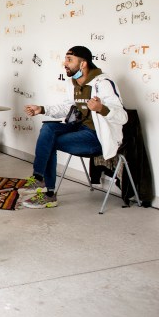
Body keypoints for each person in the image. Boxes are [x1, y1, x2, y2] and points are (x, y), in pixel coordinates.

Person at [22, 45, 127, 209]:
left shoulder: (103, 84)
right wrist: (41, 109)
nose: (65, 63)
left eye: (69, 60)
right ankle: (38, 177)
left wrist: (101, 108)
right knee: (47, 129)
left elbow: (123, 117)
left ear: (83, 63)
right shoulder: (73, 84)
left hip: (97, 138)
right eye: (65, 59)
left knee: (49, 141)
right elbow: (67, 108)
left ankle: (49, 194)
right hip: (79, 129)